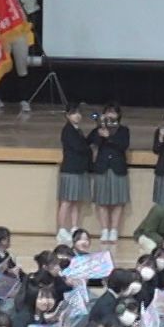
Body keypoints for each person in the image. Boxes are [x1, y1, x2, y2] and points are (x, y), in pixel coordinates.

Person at [88, 104, 132, 244]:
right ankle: (104, 230)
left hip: (117, 168)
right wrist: (100, 132)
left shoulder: (123, 130)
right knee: (102, 201)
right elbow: (91, 142)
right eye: (108, 112)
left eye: (113, 112)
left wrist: (109, 138)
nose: (110, 115)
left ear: (118, 115)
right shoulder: (99, 129)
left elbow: (123, 145)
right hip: (102, 168)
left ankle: (114, 230)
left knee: (118, 202)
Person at [56, 102, 92, 246]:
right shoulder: (67, 130)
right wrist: (87, 148)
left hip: (79, 169)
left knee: (76, 201)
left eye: (78, 113)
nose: (77, 116)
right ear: (67, 115)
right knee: (66, 201)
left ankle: (74, 227)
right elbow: (78, 147)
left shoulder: (78, 130)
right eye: (73, 113)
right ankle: (61, 229)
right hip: (70, 169)